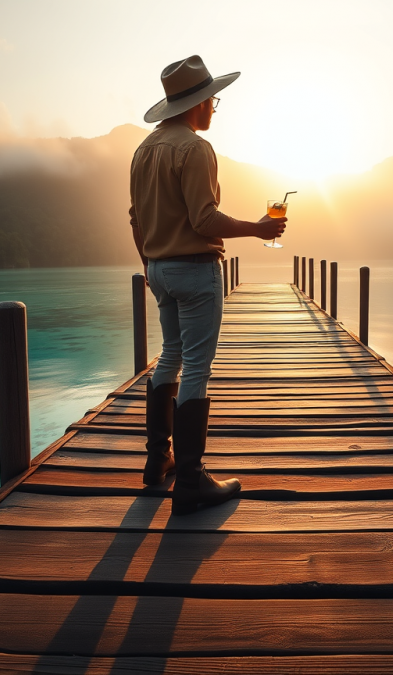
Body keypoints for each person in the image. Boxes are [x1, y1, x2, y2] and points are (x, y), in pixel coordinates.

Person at [129, 54, 287, 515]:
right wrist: (258, 230)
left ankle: (158, 461)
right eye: (213, 100)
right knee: (196, 366)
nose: (214, 108)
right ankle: (192, 482)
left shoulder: (143, 150)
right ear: (198, 104)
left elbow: (137, 219)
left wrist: (151, 266)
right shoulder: (195, 150)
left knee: (171, 356)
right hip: (195, 269)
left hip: (157, 268)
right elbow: (204, 219)